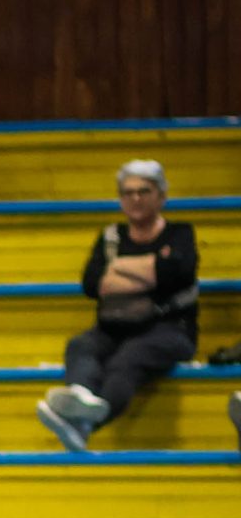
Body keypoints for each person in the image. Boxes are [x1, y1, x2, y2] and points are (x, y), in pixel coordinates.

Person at [37, 161, 200, 453]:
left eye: (144, 191)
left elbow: (177, 273)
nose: (135, 198)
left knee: (127, 359)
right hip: (114, 327)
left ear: (161, 196)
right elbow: (92, 284)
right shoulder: (110, 236)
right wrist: (151, 269)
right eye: (128, 192)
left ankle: (86, 425)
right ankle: (80, 395)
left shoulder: (179, 234)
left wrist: (118, 268)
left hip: (170, 328)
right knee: (81, 346)